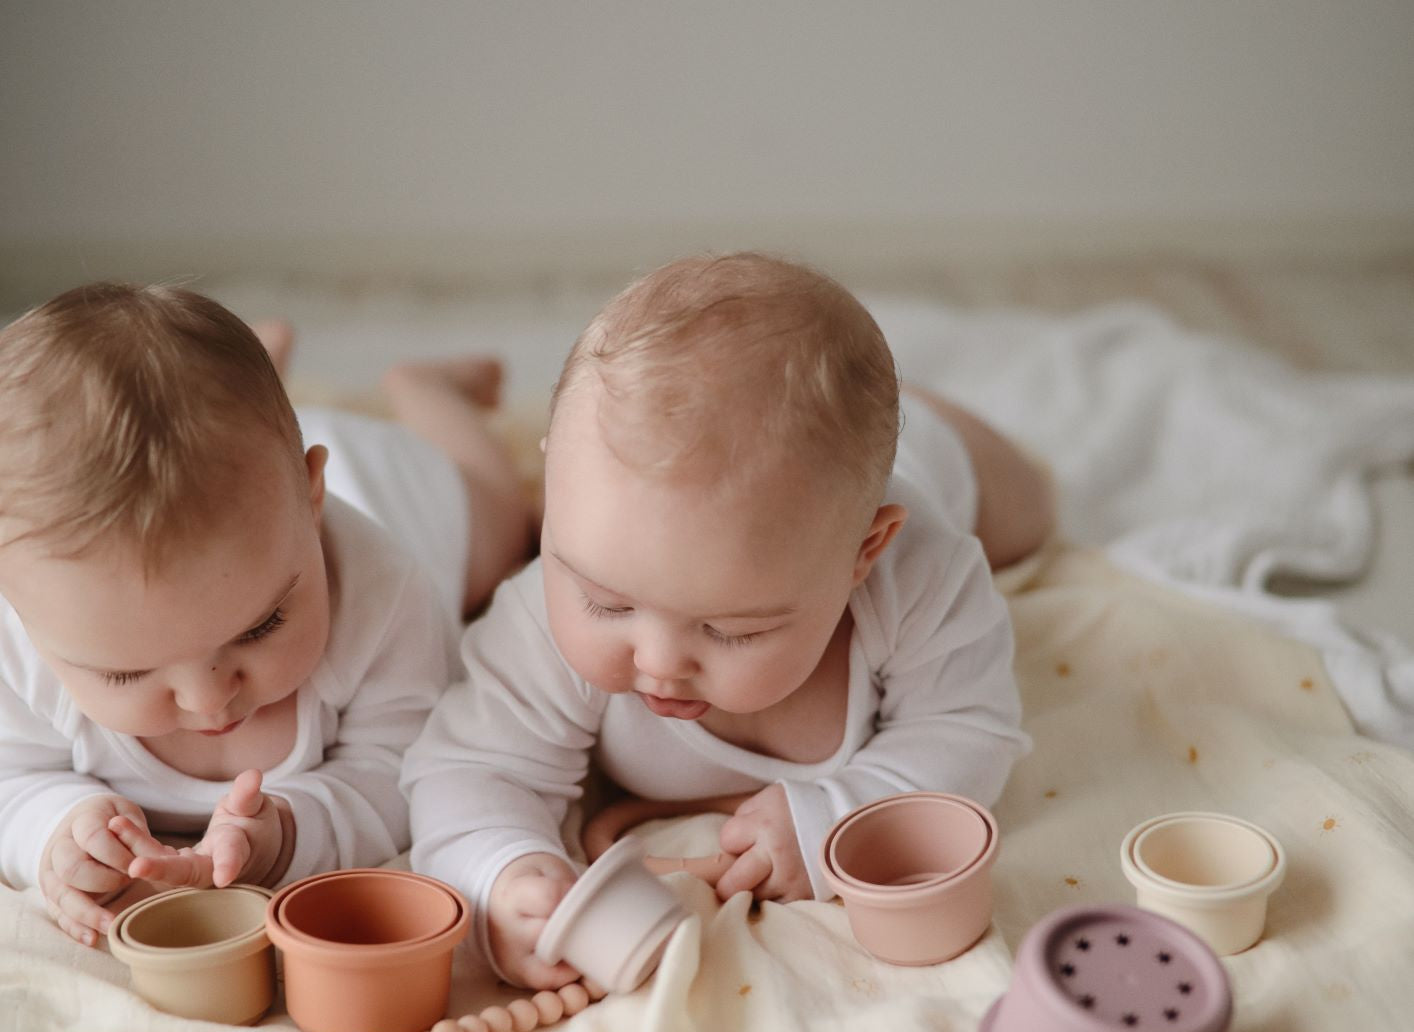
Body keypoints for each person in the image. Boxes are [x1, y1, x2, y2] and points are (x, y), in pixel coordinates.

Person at [404, 251, 1052, 989]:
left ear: (862, 555)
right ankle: (431, 395)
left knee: (1031, 507)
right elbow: (468, 767)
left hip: (940, 460)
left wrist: (834, 818)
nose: (658, 662)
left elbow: (970, 731)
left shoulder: (926, 576)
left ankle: (923, 410)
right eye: (608, 604)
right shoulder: (539, 618)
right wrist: (504, 873)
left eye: (732, 631)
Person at [0, 282, 532, 945]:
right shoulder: (26, 627)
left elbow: (404, 771)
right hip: (250, 498)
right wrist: (54, 828)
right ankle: (262, 362)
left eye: (259, 627)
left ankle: (426, 390)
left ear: (311, 498)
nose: (208, 699)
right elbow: (11, 778)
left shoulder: (388, 593)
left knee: (501, 525)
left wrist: (288, 832)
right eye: (126, 674)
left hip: (388, 487)